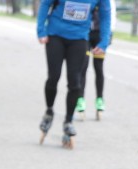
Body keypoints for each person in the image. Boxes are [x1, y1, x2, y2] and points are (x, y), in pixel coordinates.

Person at [37, 0, 112, 147]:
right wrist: (41, 30)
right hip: (55, 35)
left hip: (79, 38)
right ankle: (49, 112)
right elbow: (46, 3)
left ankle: (68, 121)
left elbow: (105, 15)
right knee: (54, 77)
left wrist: (104, 42)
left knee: (75, 82)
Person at [75, 0, 116, 119]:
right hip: (85, 34)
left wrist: (108, 37)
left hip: (99, 35)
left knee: (98, 68)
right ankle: (80, 99)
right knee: (83, 67)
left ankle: (99, 100)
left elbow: (111, 16)